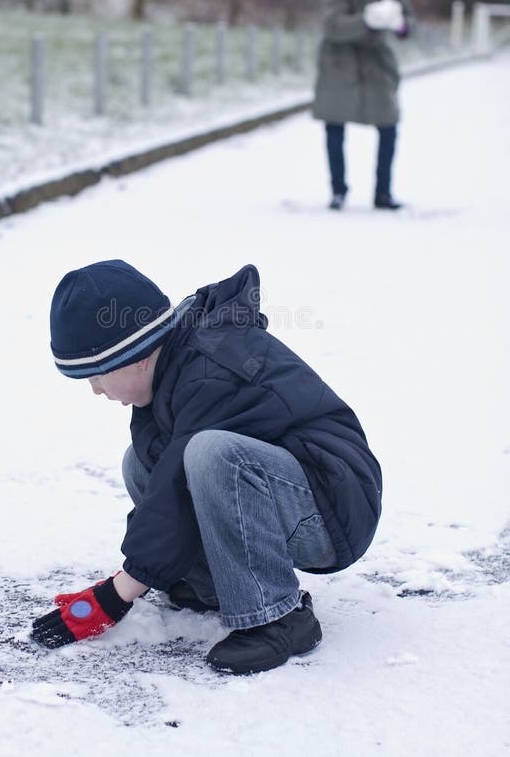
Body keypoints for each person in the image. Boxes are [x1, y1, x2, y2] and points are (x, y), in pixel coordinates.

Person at [32, 260, 382, 675]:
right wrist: (142, 572)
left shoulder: (210, 370)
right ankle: (212, 586)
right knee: (142, 463)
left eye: (98, 375)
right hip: (284, 493)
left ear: (137, 356)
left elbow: (183, 478)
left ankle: (278, 616)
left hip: (329, 508)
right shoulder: (167, 374)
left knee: (210, 453)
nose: (95, 390)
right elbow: (165, 485)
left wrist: (118, 592)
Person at [312, 0, 413, 211]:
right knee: (334, 127)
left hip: (377, 67)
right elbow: (332, 25)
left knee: (389, 127)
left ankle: (383, 192)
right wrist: (365, 20)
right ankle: (338, 190)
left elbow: (409, 24)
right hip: (339, 65)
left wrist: (400, 25)